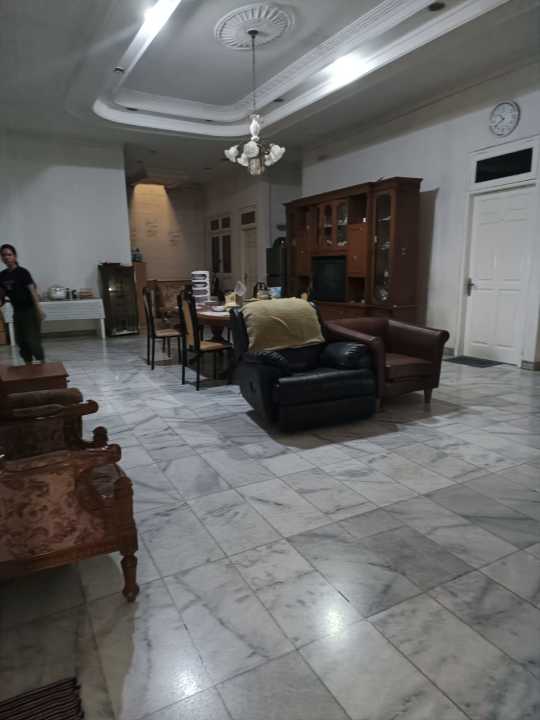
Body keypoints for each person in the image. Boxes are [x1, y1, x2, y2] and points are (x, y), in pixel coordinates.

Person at [0, 244, 45, 363]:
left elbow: (33, 291)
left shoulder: (23, 272)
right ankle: (28, 365)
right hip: (17, 311)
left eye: (9, 254)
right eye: (3, 255)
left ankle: (42, 364)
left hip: (30, 311)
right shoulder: (2, 275)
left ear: (14, 256)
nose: (6, 257)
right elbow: (2, 293)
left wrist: (39, 310)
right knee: (21, 340)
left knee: (33, 340)